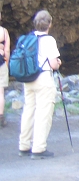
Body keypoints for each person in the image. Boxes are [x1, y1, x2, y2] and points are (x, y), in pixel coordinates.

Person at [19, 10, 62, 159]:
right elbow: (53, 64)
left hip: (29, 79)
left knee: (28, 111)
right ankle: (38, 148)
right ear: (49, 24)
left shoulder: (28, 38)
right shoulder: (49, 40)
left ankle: (24, 145)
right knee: (43, 113)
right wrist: (58, 63)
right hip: (43, 78)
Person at [0, 11, 10, 128]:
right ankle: (1, 117)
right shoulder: (4, 32)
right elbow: (6, 51)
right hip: (1, 62)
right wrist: (6, 64)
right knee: (0, 92)